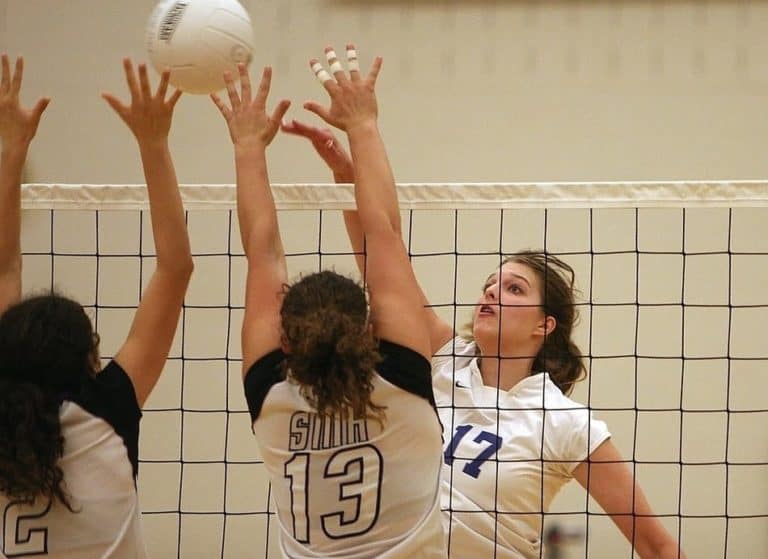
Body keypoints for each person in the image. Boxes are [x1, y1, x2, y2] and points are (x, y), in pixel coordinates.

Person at [281, 126, 687, 559]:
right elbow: (380, 258)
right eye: (490, 284)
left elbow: (655, 544)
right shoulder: (443, 358)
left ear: (543, 326)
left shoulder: (567, 423)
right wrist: (347, 176)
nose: (491, 292)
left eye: (514, 289)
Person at [211, 45, 446, 557]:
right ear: (367, 330)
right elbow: (382, 230)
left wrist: (247, 146)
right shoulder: (401, 383)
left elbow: (260, 249)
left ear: (285, 341)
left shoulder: (272, 402)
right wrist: (363, 124)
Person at [0, 56, 192, 557]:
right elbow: (176, 268)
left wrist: (13, 148)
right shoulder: (108, 410)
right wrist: (153, 143)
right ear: (88, 358)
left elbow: (3, 270)